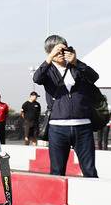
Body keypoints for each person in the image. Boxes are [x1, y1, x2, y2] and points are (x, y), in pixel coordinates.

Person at [33, 34, 99, 178]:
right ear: (48, 53)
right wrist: (49, 59)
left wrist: (76, 61)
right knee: (57, 170)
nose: (61, 55)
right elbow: (36, 78)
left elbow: (94, 77)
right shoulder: (48, 71)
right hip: (57, 127)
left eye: (63, 50)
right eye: (57, 52)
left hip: (83, 125)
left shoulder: (77, 67)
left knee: (89, 169)